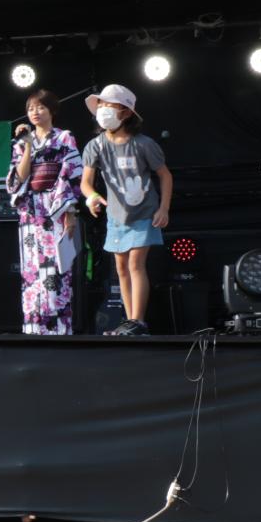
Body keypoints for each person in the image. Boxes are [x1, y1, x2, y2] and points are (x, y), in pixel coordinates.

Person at [79, 84, 173, 337]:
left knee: (135, 264)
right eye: (102, 105)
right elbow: (85, 184)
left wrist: (163, 208)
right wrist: (93, 197)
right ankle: (131, 321)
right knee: (120, 268)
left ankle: (138, 321)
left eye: (111, 105)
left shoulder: (143, 144)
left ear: (126, 113)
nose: (104, 110)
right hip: (116, 216)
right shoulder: (95, 146)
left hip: (144, 212)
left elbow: (164, 176)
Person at [8, 90, 84, 335]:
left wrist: (69, 212)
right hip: (31, 211)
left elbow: (72, 173)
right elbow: (17, 179)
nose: (35, 113)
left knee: (56, 269)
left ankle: (59, 328)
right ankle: (33, 327)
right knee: (31, 271)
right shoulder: (22, 143)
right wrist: (28, 147)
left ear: (52, 110)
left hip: (55, 207)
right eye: (31, 109)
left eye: (41, 107)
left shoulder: (64, 138)